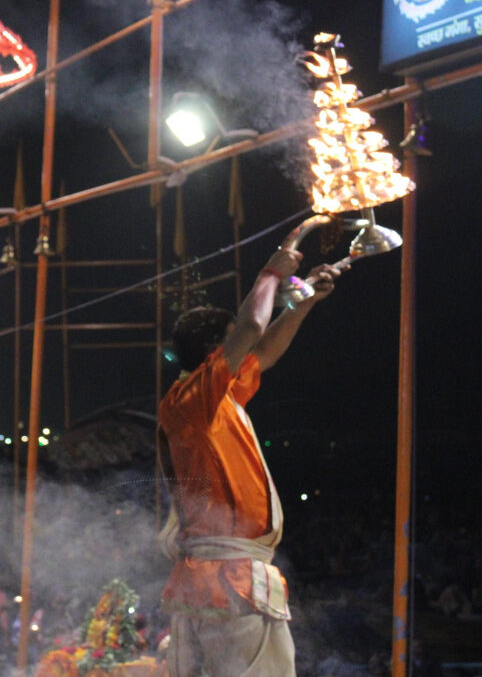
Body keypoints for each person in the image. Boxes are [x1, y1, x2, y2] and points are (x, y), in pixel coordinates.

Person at [157, 247, 341, 676]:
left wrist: (306, 298)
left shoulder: (217, 397)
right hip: (226, 578)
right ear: (211, 352)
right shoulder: (191, 402)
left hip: (231, 575)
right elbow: (253, 325)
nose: (244, 346)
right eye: (231, 339)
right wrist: (272, 272)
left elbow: (267, 349)